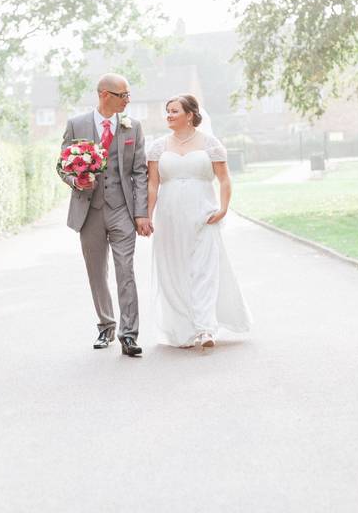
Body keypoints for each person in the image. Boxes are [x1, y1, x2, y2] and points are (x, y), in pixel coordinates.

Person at [146, 94, 252, 348]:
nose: (168, 115)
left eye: (174, 111)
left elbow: (225, 179)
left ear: (190, 115)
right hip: (169, 216)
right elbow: (152, 184)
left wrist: (224, 208)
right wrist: (147, 217)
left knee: (204, 270)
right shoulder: (158, 147)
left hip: (203, 213)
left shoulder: (210, 144)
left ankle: (205, 328)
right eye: (167, 111)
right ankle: (183, 327)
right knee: (174, 271)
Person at [58, 74, 151, 357]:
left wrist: (140, 213)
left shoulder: (132, 127)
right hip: (89, 210)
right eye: (123, 95)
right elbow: (62, 165)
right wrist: (76, 181)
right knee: (96, 271)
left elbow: (139, 172)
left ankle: (129, 334)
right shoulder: (77, 124)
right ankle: (106, 326)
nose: (128, 100)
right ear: (104, 95)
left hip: (122, 209)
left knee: (126, 271)